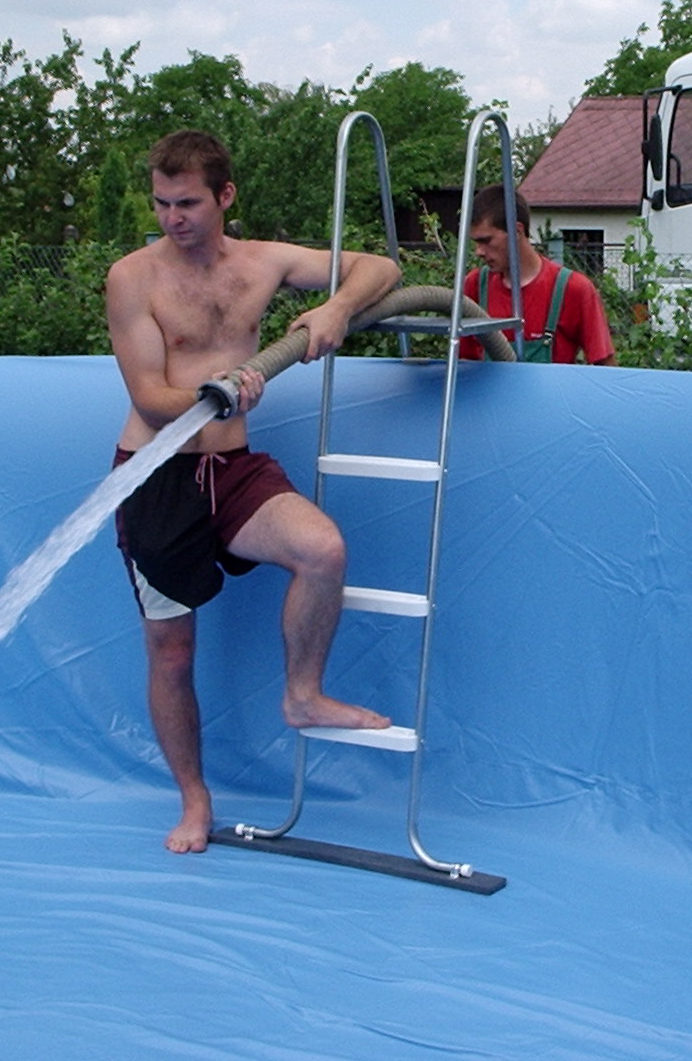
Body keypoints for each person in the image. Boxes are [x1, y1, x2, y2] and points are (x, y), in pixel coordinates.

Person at [106, 129, 402, 854]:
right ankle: (194, 801)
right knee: (172, 653)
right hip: (157, 475)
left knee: (322, 548)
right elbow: (148, 396)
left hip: (233, 470)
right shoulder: (133, 277)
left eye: (188, 203)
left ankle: (302, 693)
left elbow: (380, 267)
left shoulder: (263, 262)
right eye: (162, 203)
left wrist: (334, 311)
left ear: (225, 196)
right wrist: (214, 395)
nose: (173, 218)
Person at [458, 186, 616, 365]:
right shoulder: (475, 286)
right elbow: (464, 365)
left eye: (486, 241)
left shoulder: (573, 289)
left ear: (517, 231)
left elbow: (605, 367)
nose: (478, 251)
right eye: (476, 242)